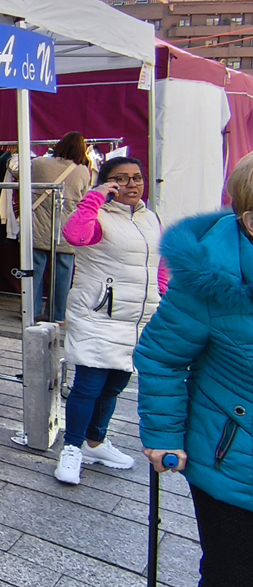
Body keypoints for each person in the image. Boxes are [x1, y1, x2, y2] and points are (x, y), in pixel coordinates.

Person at [135, 150, 253, 586]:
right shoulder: (211, 280)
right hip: (233, 462)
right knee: (233, 574)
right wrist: (164, 435)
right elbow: (161, 356)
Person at [53, 156, 163, 485]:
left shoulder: (149, 218)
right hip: (99, 315)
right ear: (107, 183)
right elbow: (74, 235)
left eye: (137, 177)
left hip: (136, 318)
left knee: (116, 383)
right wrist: (95, 197)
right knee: (89, 385)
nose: (132, 184)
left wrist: (162, 293)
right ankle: (71, 448)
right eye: (122, 178)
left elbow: (159, 263)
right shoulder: (96, 214)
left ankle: (95, 442)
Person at [31, 132, 93, 323]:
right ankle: (58, 314)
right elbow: (84, 198)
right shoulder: (83, 171)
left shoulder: (39, 163)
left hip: (39, 223)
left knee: (34, 271)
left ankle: (30, 311)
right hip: (66, 227)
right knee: (64, 273)